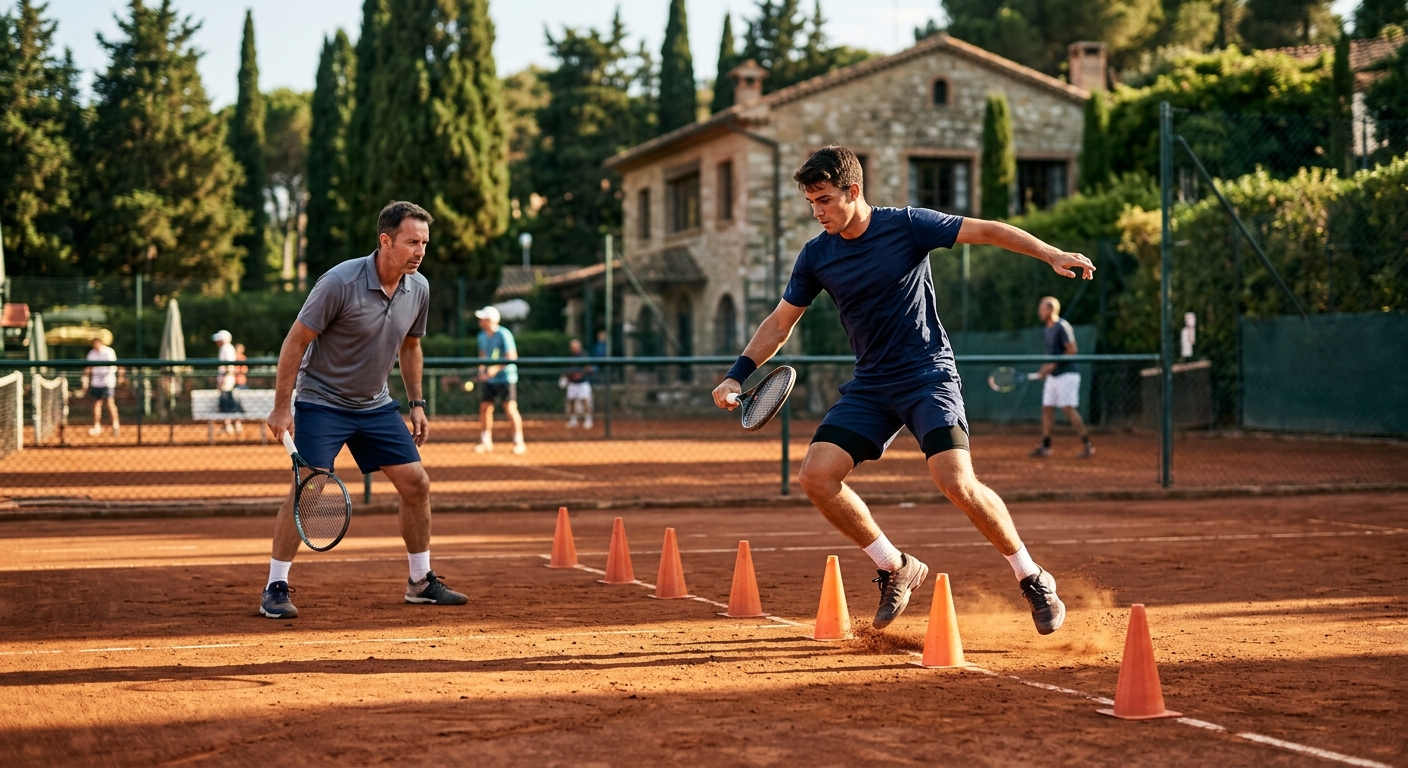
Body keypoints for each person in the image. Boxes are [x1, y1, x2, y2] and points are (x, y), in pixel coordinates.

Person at [713, 146, 1095, 635]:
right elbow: (781, 322)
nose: (818, 212)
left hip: (928, 375)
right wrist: (736, 374)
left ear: (854, 191)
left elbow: (988, 229)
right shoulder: (816, 255)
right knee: (816, 476)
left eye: (826, 200)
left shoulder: (908, 225)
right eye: (812, 203)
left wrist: (1049, 253)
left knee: (955, 481)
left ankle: (1033, 576)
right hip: (871, 384)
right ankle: (895, 566)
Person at [260, 200, 467, 619]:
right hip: (322, 402)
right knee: (310, 489)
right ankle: (275, 587)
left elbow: (411, 347)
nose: (419, 251)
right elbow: (294, 343)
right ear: (386, 241)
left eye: (424, 243)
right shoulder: (339, 282)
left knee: (417, 484)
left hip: (375, 405)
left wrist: (417, 404)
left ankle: (420, 582)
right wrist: (282, 408)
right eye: (412, 242)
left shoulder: (418, 288)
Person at [1030, 296, 1093, 459]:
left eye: (1042, 308)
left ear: (1051, 309)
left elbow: (1071, 350)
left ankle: (1087, 444)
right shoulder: (1046, 330)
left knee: (1067, 409)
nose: (1040, 311)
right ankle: (1045, 446)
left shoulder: (1062, 327)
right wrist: (1045, 367)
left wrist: (1052, 365)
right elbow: (1051, 354)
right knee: (1047, 408)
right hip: (1053, 376)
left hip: (1067, 374)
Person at [473, 305, 525, 455]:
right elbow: (482, 355)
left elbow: (511, 356)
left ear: (490, 320)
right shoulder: (481, 336)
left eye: (482, 318)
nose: (480, 321)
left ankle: (518, 441)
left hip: (506, 378)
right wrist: (482, 371)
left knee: (510, 408)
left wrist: (494, 369)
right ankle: (485, 441)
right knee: (485, 407)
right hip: (490, 380)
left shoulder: (504, 334)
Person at [83, 336, 119, 437]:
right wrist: (85, 381)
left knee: (110, 403)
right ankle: (97, 426)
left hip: (107, 382)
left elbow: (113, 367)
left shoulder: (109, 352)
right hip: (96, 383)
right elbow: (88, 368)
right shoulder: (91, 353)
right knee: (96, 404)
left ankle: (115, 425)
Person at [213, 330, 243, 434]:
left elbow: (226, 366)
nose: (217, 341)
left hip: (226, 379)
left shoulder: (225, 348)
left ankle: (229, 425)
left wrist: (222, 382)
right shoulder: (228, 348)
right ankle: (231, 424)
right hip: (228, 378)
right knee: (229, 401)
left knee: (226, 402)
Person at [564, 337, 594, 429]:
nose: (574, 349)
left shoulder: (584, 355)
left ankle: (588, 419)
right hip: (573, 383)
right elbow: (566, 369)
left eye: (576, 347)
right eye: (573, 347)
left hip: (583, 382)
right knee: (571, 401)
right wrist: (567, 377)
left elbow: (589, 368)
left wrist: (581, 373)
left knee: (585, 401)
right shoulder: (570, 357)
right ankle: (573, 420)